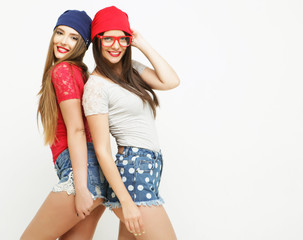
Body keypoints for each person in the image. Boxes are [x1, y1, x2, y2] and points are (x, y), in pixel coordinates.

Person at [83, 6, 180, 239]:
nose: (116, 45)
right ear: (97, 41)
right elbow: (102, 150)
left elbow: (171, 81)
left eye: (122, 39)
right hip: (133, 171)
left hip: (149, 167)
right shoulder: (96, 87)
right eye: (108, 39)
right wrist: (126, 202)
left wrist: (142, 43)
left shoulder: (132, 71)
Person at [21, 10, 107, 240]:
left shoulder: (62, 71)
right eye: (60, 32)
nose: (63, 41)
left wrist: (80, 188)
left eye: (73, 37)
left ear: (84, 44)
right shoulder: (81, 74)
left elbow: (77, 129)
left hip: (81, 173)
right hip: (98, 172)